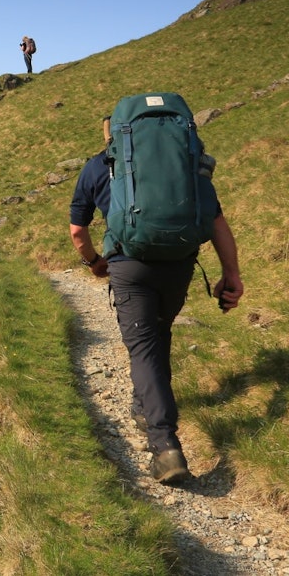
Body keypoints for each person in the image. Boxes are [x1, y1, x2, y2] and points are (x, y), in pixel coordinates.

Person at [68, 115, 244, 484]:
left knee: (144, 347)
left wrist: (93, 263)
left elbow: (77, 231)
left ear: (113, 134)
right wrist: (232, 275)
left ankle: (165, 445)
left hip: (129, 267)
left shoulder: (98, 167)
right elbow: (217, 223)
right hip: (178, 263)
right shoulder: (185, 164)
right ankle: (143, 404)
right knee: (159, 334)